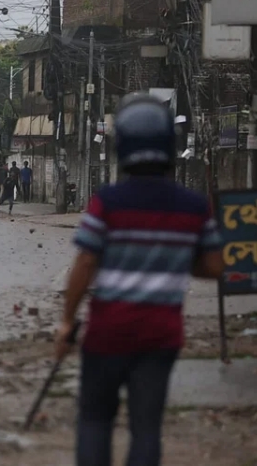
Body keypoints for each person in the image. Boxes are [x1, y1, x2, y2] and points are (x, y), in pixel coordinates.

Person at [54, 94, 224, 466]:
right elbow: (214, 267)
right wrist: (174, 258)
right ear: (169, 144)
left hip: (107, 333)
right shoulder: (194, 207)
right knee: (147, 427)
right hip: (160, 336)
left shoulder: (108, 202)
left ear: (122, 147)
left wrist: (67, 320)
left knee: (96, 420)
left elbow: (85, 264)